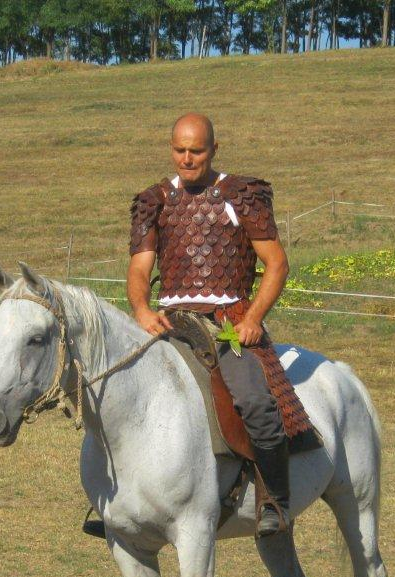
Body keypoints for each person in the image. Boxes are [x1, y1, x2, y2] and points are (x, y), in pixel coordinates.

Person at [123, 112, 317, 538]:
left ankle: (275, 501)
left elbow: (277, 263)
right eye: (179, 150)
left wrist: (252, 319)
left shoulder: (241, 195)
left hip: (228, 321)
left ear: (214, 150)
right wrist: (140, 309)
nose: (187, 159)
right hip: (169, 319)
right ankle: (118, 500)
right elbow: (140, 268)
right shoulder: (153, 201)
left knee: (254, 401)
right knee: (122, 389)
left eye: (197, 150)